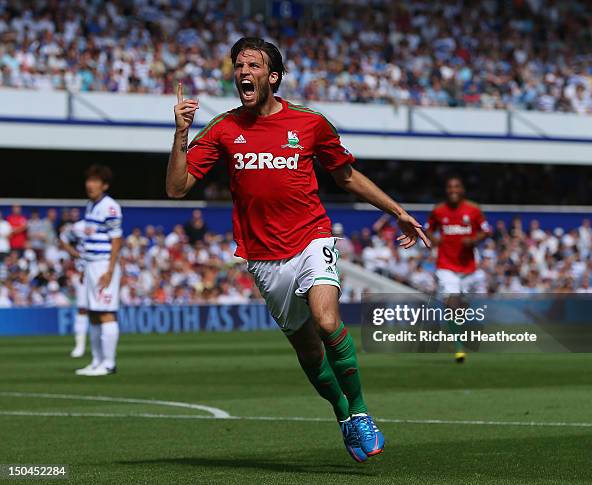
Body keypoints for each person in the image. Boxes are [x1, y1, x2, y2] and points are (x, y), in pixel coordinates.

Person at [166, 37, 430, 462]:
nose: (242, 71)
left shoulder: (310, 123)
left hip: (312, 237)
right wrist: (180, 134)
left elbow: (345, 177)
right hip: (264, 257)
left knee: (327, 322)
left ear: (272, 77)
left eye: (252, 65)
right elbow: (177, 188)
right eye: (238, 65)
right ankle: (343, 414)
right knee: (308, 350)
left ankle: (361, 411)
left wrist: (396, 209)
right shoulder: (222, 128)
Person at [426, 176, 490, 362]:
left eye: (457, 186)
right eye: (450, 187)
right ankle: (459, 347)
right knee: (452, 303)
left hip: (469, 267)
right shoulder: (438, 211)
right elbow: (428, 227)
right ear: (446, 190)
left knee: (461, 307)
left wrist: (474, 239)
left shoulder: (473, 209)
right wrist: (433, 238)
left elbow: (486, 230)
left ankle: (456, 331)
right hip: (446, 265)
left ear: (462, 189)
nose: (453, 190)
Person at [75, 165, 123, 377]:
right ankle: (96, 361)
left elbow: (116, 239)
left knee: (105, 313)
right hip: (91, 264)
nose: (90, 185)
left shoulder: (109, 207)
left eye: (95, 181)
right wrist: (85, 265)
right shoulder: (90, 206)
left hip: (104, 264)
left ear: (104, 185)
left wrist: (110, 270)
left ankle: (109, 363)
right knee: (93, 314)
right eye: (89, 180)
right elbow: (89, 238)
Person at [60, 219, 89, 358]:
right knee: (82, 308)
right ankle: (80, 345)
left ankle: (101, 347)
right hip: (83, 271)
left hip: (102, 272)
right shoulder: (79, 226)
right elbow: (63, 238)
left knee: (102, 310)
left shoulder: (106, 223)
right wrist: (76, 254)